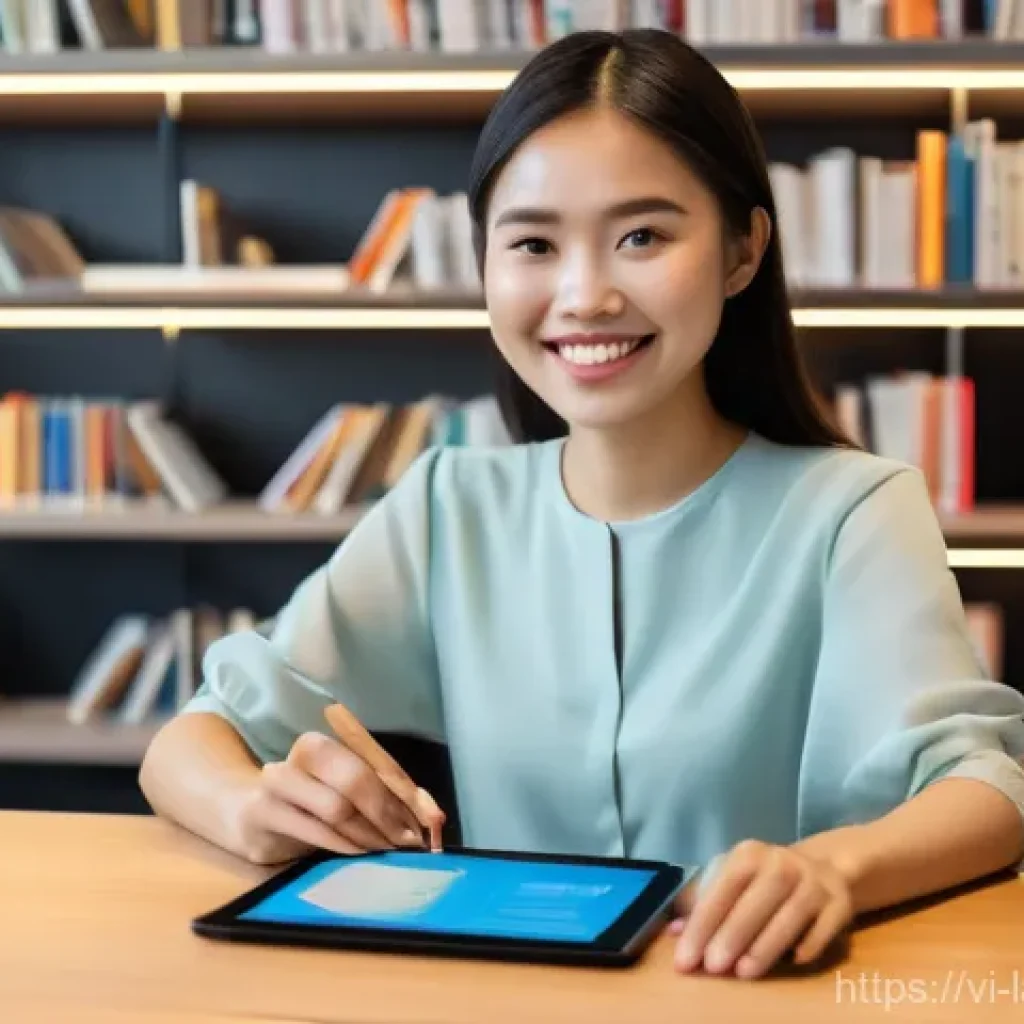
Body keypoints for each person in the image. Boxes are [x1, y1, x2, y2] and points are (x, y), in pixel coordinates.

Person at [140, 30, 1024, 981]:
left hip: (746, 994)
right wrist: (255, 809)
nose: (585, 294)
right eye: (532, 243)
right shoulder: (450, 507)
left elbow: (986, 789)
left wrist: (830, 872)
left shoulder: (853, 509)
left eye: (642, 235)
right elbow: (190, 739)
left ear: (742, 250)